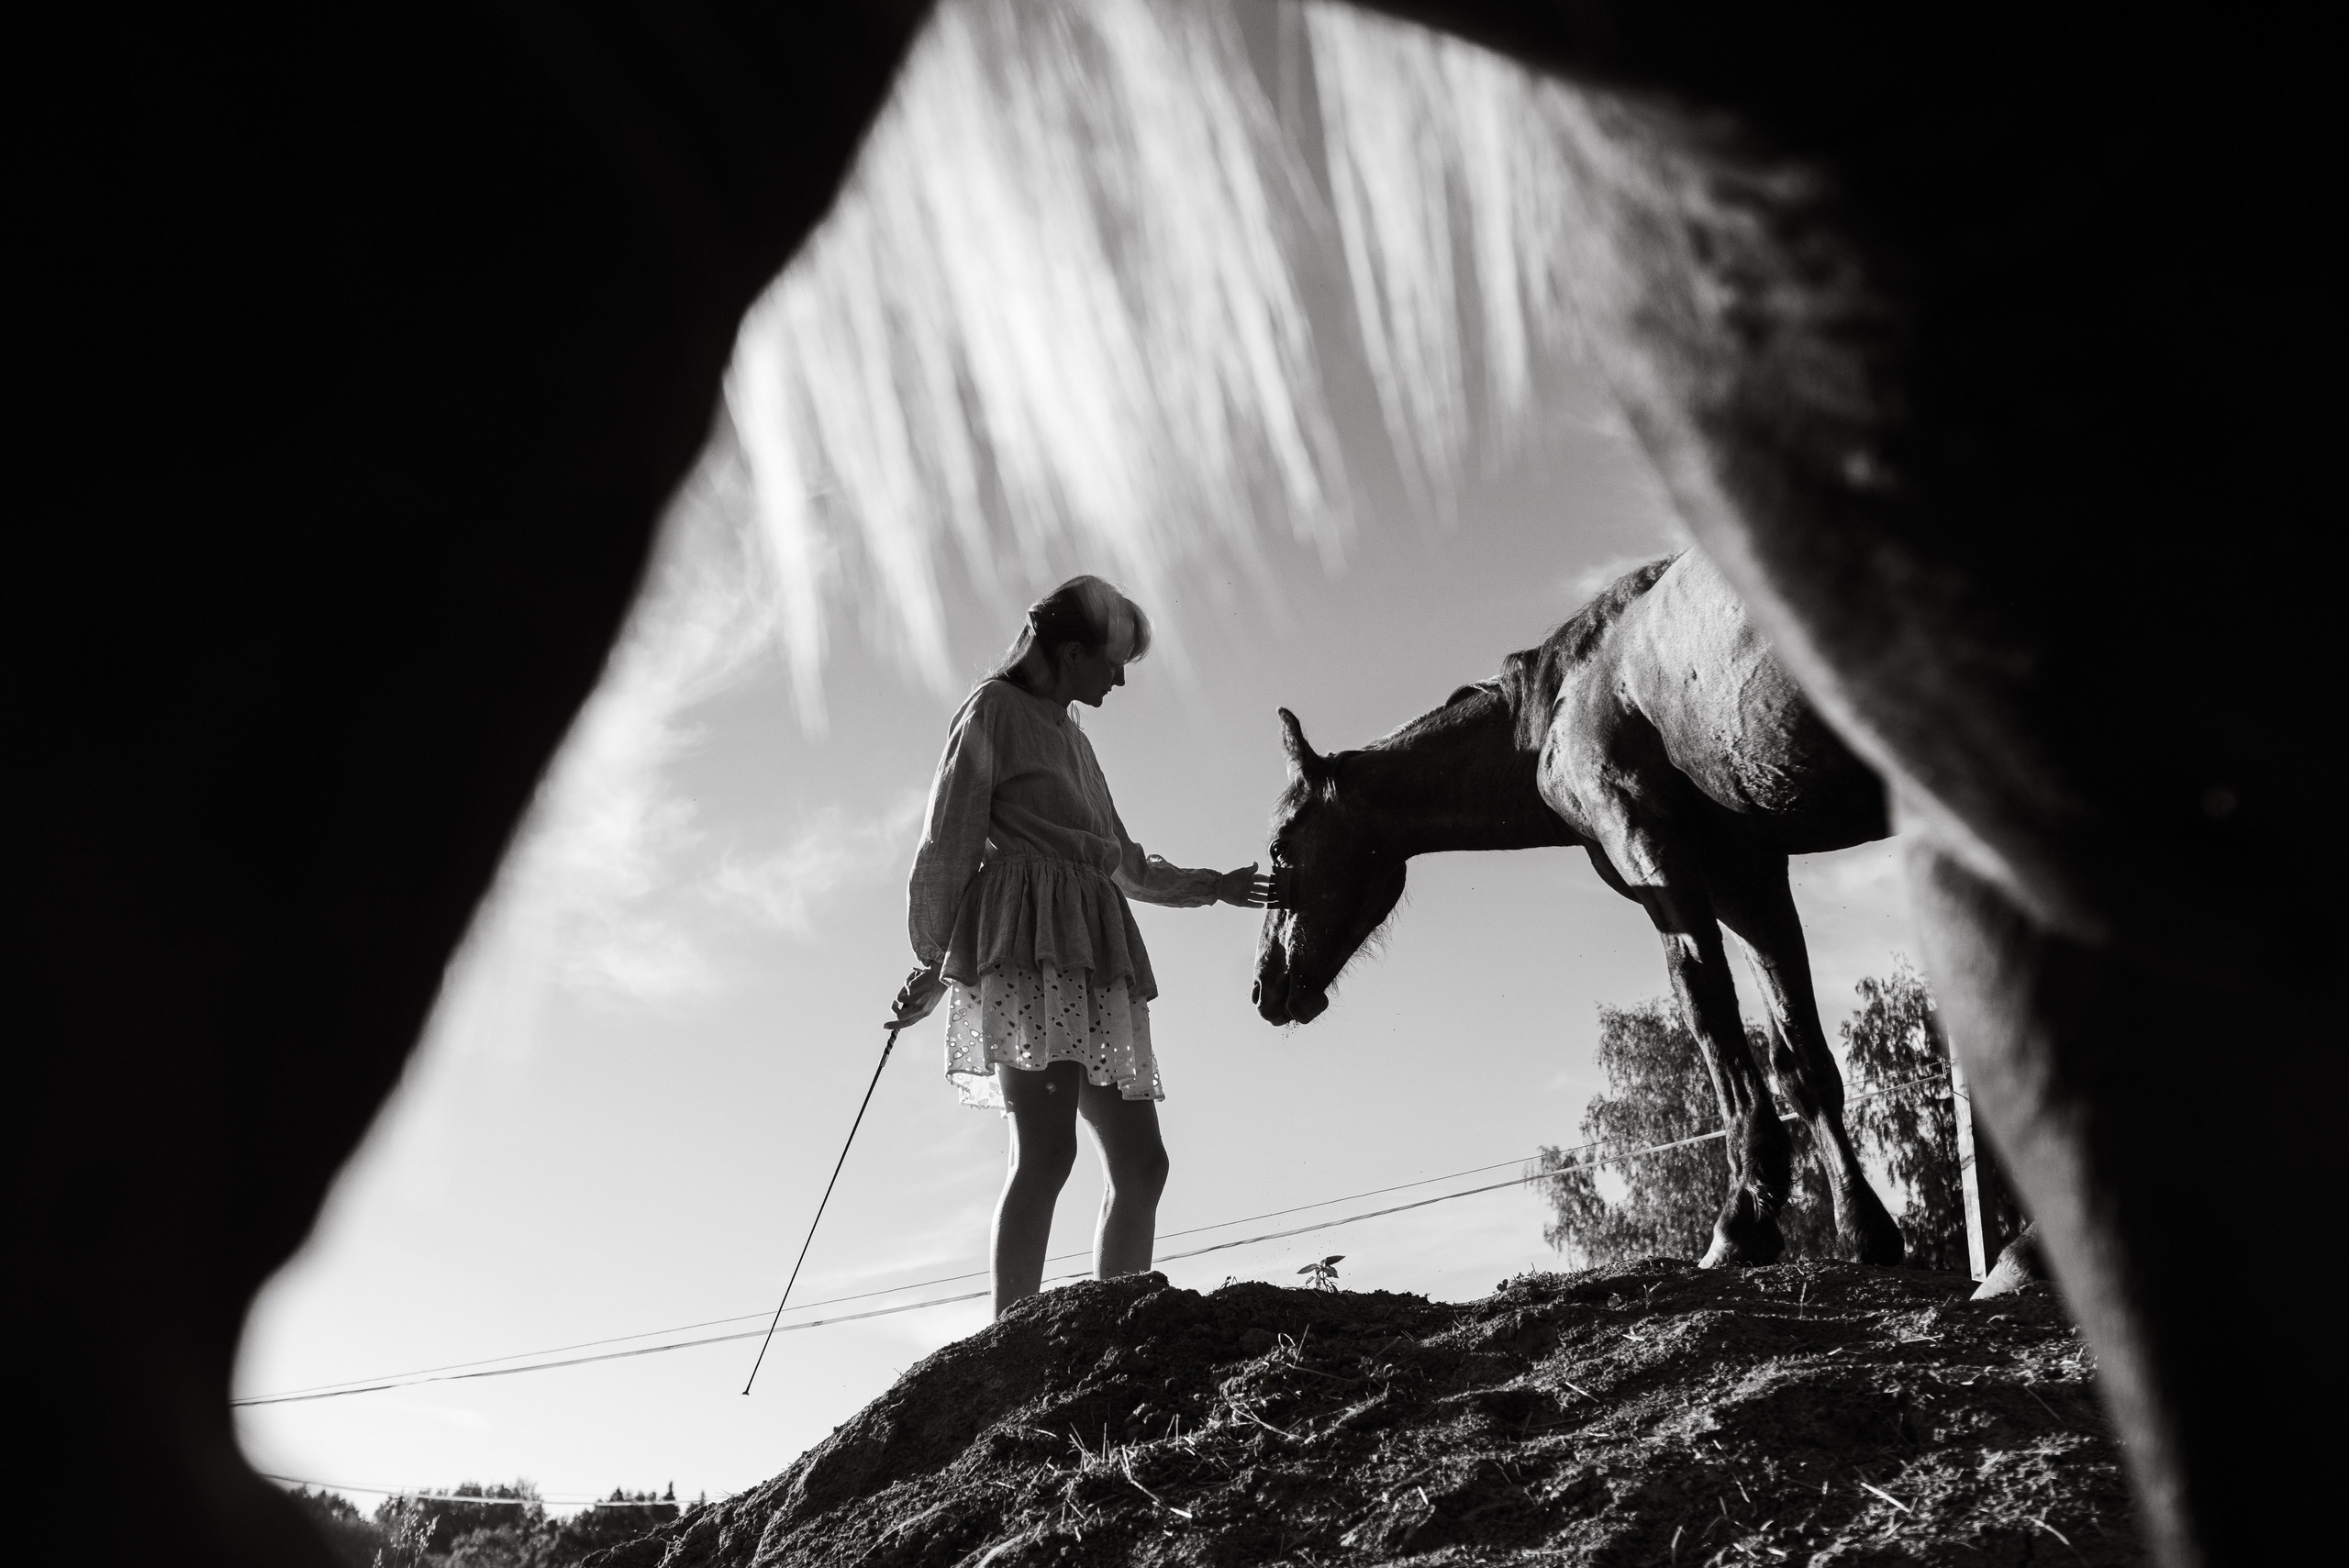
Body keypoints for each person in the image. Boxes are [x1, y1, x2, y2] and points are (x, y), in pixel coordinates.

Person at [891, 575, 1273, 1316]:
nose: (1121, 678)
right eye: (1114, 660)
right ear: (1070, 653)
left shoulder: (1073, 735)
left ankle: (1114, 1329)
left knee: (1143, 1164)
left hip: (1094, 948)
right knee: (1047, 1151)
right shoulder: (992, 711)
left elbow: (1117, 857)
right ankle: (1008, 1343)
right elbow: (949, 843)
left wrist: (1209, 885)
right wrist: (935, 959)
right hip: (1026, 942)